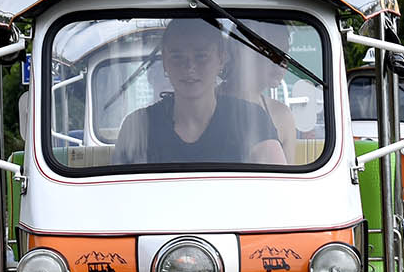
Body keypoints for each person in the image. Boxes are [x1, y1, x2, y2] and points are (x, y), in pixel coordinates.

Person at [113, 17, 286, 166]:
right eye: (177, 56)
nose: (189, 67)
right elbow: (118, 193)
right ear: (165, 61)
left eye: (201, 56)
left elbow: (278, 188)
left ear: (221, 58)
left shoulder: (250, 119)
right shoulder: (138, 126)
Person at [222, 21, 299, 163]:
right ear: (239, 51)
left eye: (285, 54)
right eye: (270, 53)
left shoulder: (282, 115)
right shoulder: (206, 103)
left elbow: (289, 181)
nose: (281, 63)